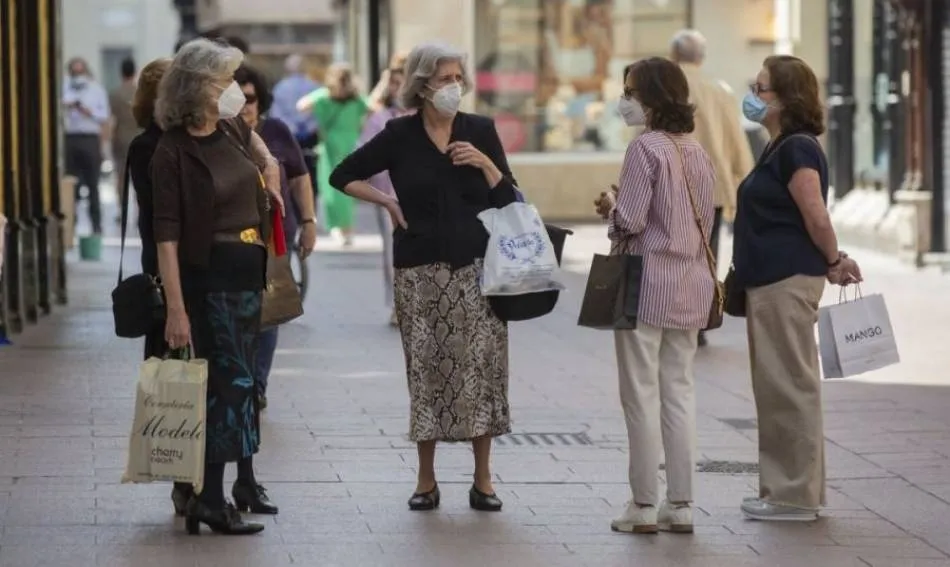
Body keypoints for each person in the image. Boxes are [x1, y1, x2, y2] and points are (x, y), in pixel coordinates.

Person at [329, 42, 519, 512]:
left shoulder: (480, 130)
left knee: (480, 370)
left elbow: (510, 200)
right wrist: (388, 201)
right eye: (443, 79)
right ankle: (426, 479)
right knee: (426, 372)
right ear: (421, 85)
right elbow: (342, 175)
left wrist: (487, 164)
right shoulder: (400, 134)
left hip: (476, 269)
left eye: (458, 77)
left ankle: (483, 480)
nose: (454, 86)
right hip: (419, 271)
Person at [151, 38, 285, 535]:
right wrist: (176, 310)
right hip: (209, 281)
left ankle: (224, 491)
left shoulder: (231, 129)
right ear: (197, 87)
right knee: (228, 387)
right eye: (223, 81)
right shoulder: (172, 152)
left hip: (247, 273)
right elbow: (166, 236)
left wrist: (269, 178)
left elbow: (265, 155)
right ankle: (208, 497)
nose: (232, 89)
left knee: (241, 384)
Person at [734, 55, 862, 522]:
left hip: (785, 281)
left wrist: (834, 260)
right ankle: (786, 490)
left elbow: (816, 214)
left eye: (760, 86)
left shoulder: (797, 149)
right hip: (772, 280)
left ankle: (794, 497)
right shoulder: (778, 146)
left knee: (789, 386)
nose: (753, 93)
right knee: (778, 387)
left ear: (786, 97)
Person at [594, 57, 715, 535]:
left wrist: (612, 207)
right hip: (690, 284)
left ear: (651, 97)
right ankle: (681, 505)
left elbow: (632, 221)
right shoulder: (697, 151)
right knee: (679, 392)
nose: (624, 100)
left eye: (630, 91)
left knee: (640, 395)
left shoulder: (645, 148)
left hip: (644, 283)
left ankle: (643, 504)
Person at [234, 63, 318, 409]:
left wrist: (310, 221)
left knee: (268, 313)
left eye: (250, 98)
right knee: (238, 314)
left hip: (275, 238)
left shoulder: (278, 131)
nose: (245, 106)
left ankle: (258, 385)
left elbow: (299, 178)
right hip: (233, 240)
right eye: (236, 99)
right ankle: (238, 380)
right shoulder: (221, 136)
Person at [669, 30, 755, 347]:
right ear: (701, 58)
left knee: (674, 250)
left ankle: (676, 315)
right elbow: (735, 140)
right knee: (707, 253)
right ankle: (701, 319)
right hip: (713, 186)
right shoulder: (718, 90)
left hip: (674, 185)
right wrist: (742, 180)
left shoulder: (666, 88)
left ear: (673, 55)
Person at [358, 57, 410, 326]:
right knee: (393, 253)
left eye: (403, 83)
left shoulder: (427, 118)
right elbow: (363, 153)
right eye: (394, 83)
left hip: (422, 197)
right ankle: (398, 305)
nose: (398, 89)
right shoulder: (381, 119)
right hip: (388, 197)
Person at [298, 63, 369, 246]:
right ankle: (345, 228)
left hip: (330, 148)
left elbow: (302, 106)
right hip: (349, 147)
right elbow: (371, 109)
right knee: (346, 188)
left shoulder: (324, 98)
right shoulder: (356, 100)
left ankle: (339, 227)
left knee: (332, 189)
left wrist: (322, 94)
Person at [63, 57, 111, 235]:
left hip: (90, 138)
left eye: (80, 71)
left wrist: (88, 111)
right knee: (71, 185)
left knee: (93, 185)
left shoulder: (96, 90)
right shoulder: (64, 87)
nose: (77, 76)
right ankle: (70, 226)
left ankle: (96, 225)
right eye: (74, 72)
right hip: (70, 138)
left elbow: (103, 116)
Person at [271, 54, 321, 204]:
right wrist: (306, 128)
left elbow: (277, 114)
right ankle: (311, 213)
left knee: (290, 176)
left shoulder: (280, 88)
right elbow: (318, 114)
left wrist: (292, 128)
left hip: (288, 136)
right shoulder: (315, 87)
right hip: (310, 138)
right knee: (311, 177)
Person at [110, 57, 140, 218]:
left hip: (120, 139)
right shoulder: (141, 92)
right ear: (134, 71)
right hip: (139, 138)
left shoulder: (115, 94)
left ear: (121, 72)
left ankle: (122, 210)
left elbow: (111, 120)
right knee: (139, 177)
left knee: (121, 177)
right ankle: (139, 211)